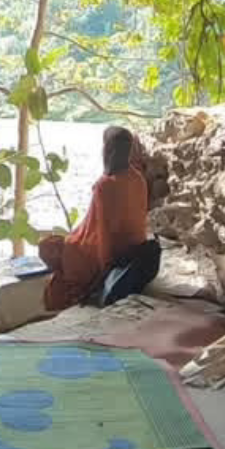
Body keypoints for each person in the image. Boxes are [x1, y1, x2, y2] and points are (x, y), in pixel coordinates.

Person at [38, 126, 150, 311]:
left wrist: (102, 273)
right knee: (69, 241)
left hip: (111, 254)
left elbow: (104, 235)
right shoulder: (138, 178)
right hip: (136, 250)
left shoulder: (105, 185)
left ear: (108, 150)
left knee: (48, 246)